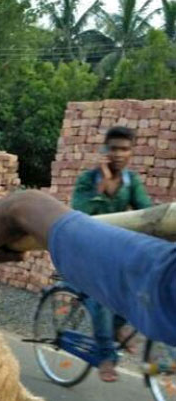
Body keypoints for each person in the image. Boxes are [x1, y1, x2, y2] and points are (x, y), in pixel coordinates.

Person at [0, 189, 176, 346]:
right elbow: (80, 205)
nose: (120, 154)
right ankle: (104, 348)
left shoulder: (128, 181)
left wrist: (26, 207)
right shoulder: (91, 180)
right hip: (92, 238)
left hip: (98, 242)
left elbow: (156, 282)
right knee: (98, 303)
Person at [70, 126, 152, 381]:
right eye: (114, 148)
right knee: (103, 299)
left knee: (139, 293)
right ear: (105, 150)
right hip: (86, 250)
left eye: (124, 149)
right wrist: (102, 187)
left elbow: (145, 211)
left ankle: (116, 330)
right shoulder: (88, 179)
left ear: (131, 153)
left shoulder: (132, 182)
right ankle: (106, 355)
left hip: (115, 252)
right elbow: (80, 213)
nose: (119, 154)